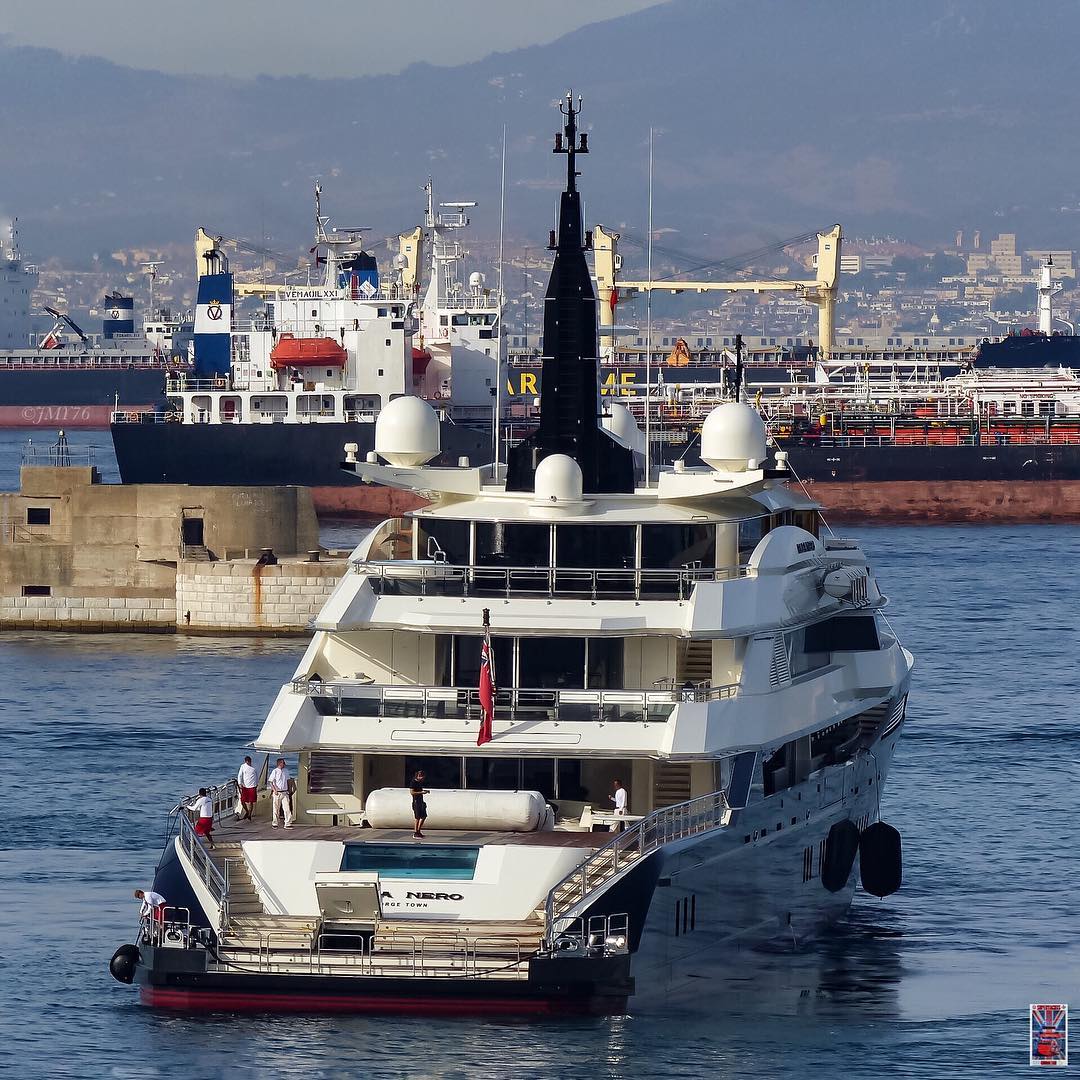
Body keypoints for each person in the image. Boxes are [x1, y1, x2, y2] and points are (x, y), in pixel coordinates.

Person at [269, 758, 294, 828]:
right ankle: (275, 823)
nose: (284, 764)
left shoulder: (286, 771)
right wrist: (274, 790)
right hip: (277, 793)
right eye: (283, 763)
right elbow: (270, 781)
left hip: (285, 792)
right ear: (279, 763)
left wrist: (289, 790)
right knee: (276, 808)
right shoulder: (275, 771)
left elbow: (288, 781)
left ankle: (288, 823)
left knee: (287, 808)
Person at [237, 755, 258, 821]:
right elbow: (240, 775)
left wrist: (256, 784)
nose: (249, 763)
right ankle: (247, 811)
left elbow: (256, 776)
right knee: (242, 801)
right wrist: (240, 783)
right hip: (245, 786)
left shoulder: (254, 768)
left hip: (252, 786)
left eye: (249, 761)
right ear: (245, 761)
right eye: (247, 762)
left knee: (251, 801)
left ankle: (249, 814)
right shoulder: (243, 766)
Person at [410, 770, 429, 839]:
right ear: (418, 776)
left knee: (424, 816)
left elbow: (419, 791)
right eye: (422, 777)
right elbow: (412, 792)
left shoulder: (419, 782)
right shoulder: (413, 782)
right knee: (417, 817)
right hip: (416, 802)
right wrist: (421, 792)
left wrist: (424, 791)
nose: (423, 778)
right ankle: (415, 832)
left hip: (421, 801)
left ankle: (418, 831)